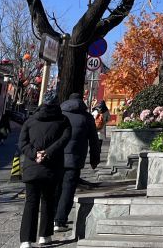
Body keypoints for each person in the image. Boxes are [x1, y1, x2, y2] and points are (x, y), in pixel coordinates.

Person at [18, 98, 70, 248]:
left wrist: (35, 154)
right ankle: (44, 236)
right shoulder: (63, 121)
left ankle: (26, 240)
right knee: (48, 200)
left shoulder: (30, 120)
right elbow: (64, 140)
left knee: (31, 202)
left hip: (32, 167)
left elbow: (22, 143)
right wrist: (47, 153)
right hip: (52, 167)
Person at [54, 93, 102, 233]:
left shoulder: (59, 114)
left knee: (56, 187)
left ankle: (52, 216)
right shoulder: (86, 117)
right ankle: (60, 220)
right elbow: (93, 140)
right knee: (68, 189)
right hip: (75, 159)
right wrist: (94, 159)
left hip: (57, 157)